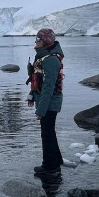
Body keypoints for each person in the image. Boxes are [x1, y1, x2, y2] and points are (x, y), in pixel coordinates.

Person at [27, 28, 64, 177]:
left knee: (47, 133)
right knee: (49, 132)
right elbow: (38, 81)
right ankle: (56, 161)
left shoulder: (50, 60)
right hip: (45, 101)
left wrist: (40, 110)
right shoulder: (43, 58)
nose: (35, 42)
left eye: (38, 39)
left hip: (50, 103)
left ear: (46, 41)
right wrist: (31, 95)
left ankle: (49, 166)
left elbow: (48, 87)